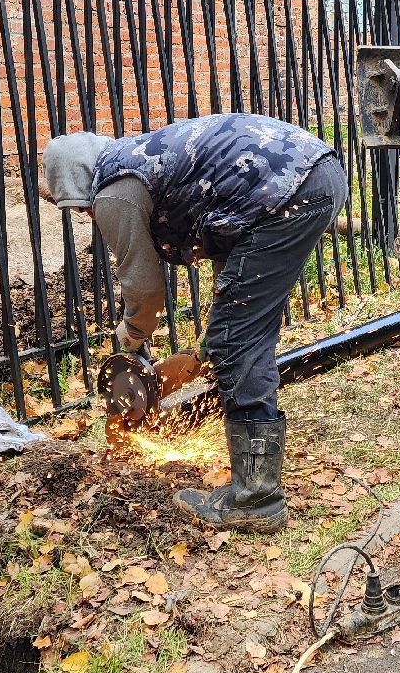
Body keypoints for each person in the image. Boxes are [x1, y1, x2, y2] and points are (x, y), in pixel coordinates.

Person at [41, 113, 348, 533]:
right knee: (235, 330)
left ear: (76, 182)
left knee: (237, 340)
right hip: (308, 178)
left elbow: (145, 288)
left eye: (78, 208)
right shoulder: (143, 159)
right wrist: (202, 350)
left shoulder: (114, 192)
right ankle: (255, 483)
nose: (86, 216)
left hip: (287, 193)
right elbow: (229, 239)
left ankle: (256, 498)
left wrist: (128, 342)